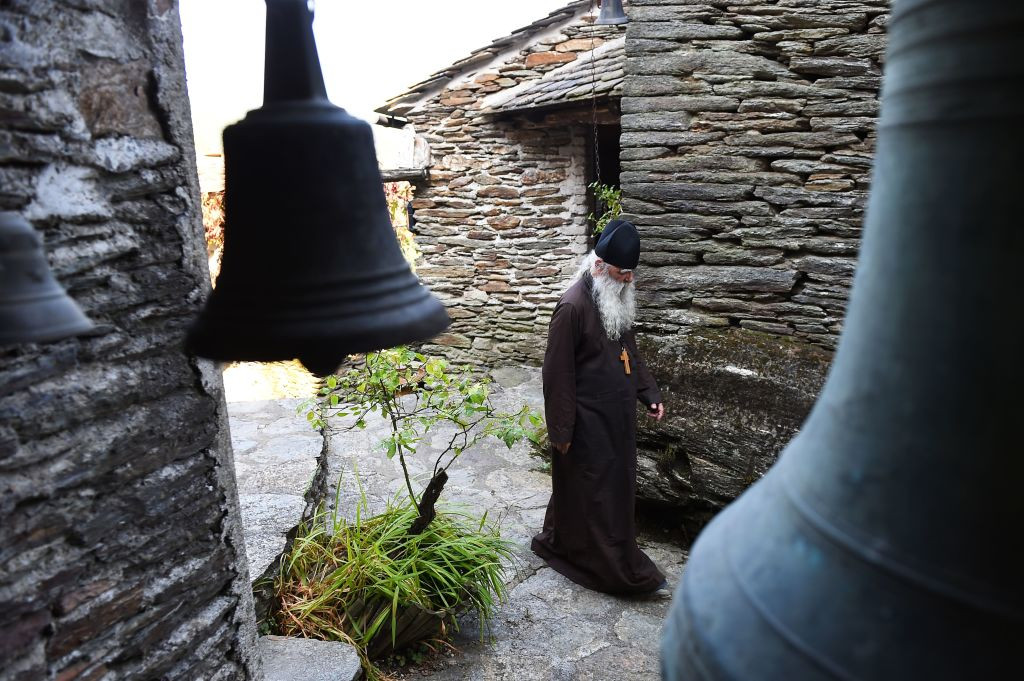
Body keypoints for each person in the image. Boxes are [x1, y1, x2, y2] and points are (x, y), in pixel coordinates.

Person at [531, 219, 669, 596]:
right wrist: (561, 431)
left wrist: (649, 392)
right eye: (622, 273)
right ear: (599, 266)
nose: (628, 280)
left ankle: (569, 545)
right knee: (594, 492)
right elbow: (556, 375)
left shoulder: (614, 299)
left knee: (604, 490)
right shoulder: (572, 307)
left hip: (616, 421)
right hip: (586, 424)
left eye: (631, 273)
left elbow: (629, 352)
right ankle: (613, 568)